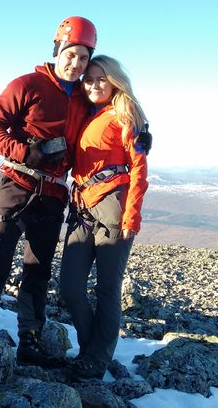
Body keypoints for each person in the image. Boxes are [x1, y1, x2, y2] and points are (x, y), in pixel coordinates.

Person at [0, 16, 97, 368]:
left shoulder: (84, 98)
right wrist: (24, 152)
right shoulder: (28, 84)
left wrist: (139, 135)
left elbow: (115, 114)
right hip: (16, 186)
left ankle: (30, 341)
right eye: (71, 54)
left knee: (37, 272)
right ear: (58, 49)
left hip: (52, 196)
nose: (76, 63)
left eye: (84, 58)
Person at [59, 55, 150, 380]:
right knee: (70, 286)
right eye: (89, 79)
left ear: (114, 80)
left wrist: (131, 217)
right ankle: (89, 348)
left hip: (113, 204)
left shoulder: (124, 114)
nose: (94, 84)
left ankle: (96, 360)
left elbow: (139, 167)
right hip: (82, 205)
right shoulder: (88, 113)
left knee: (108, 290)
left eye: (101, 78)